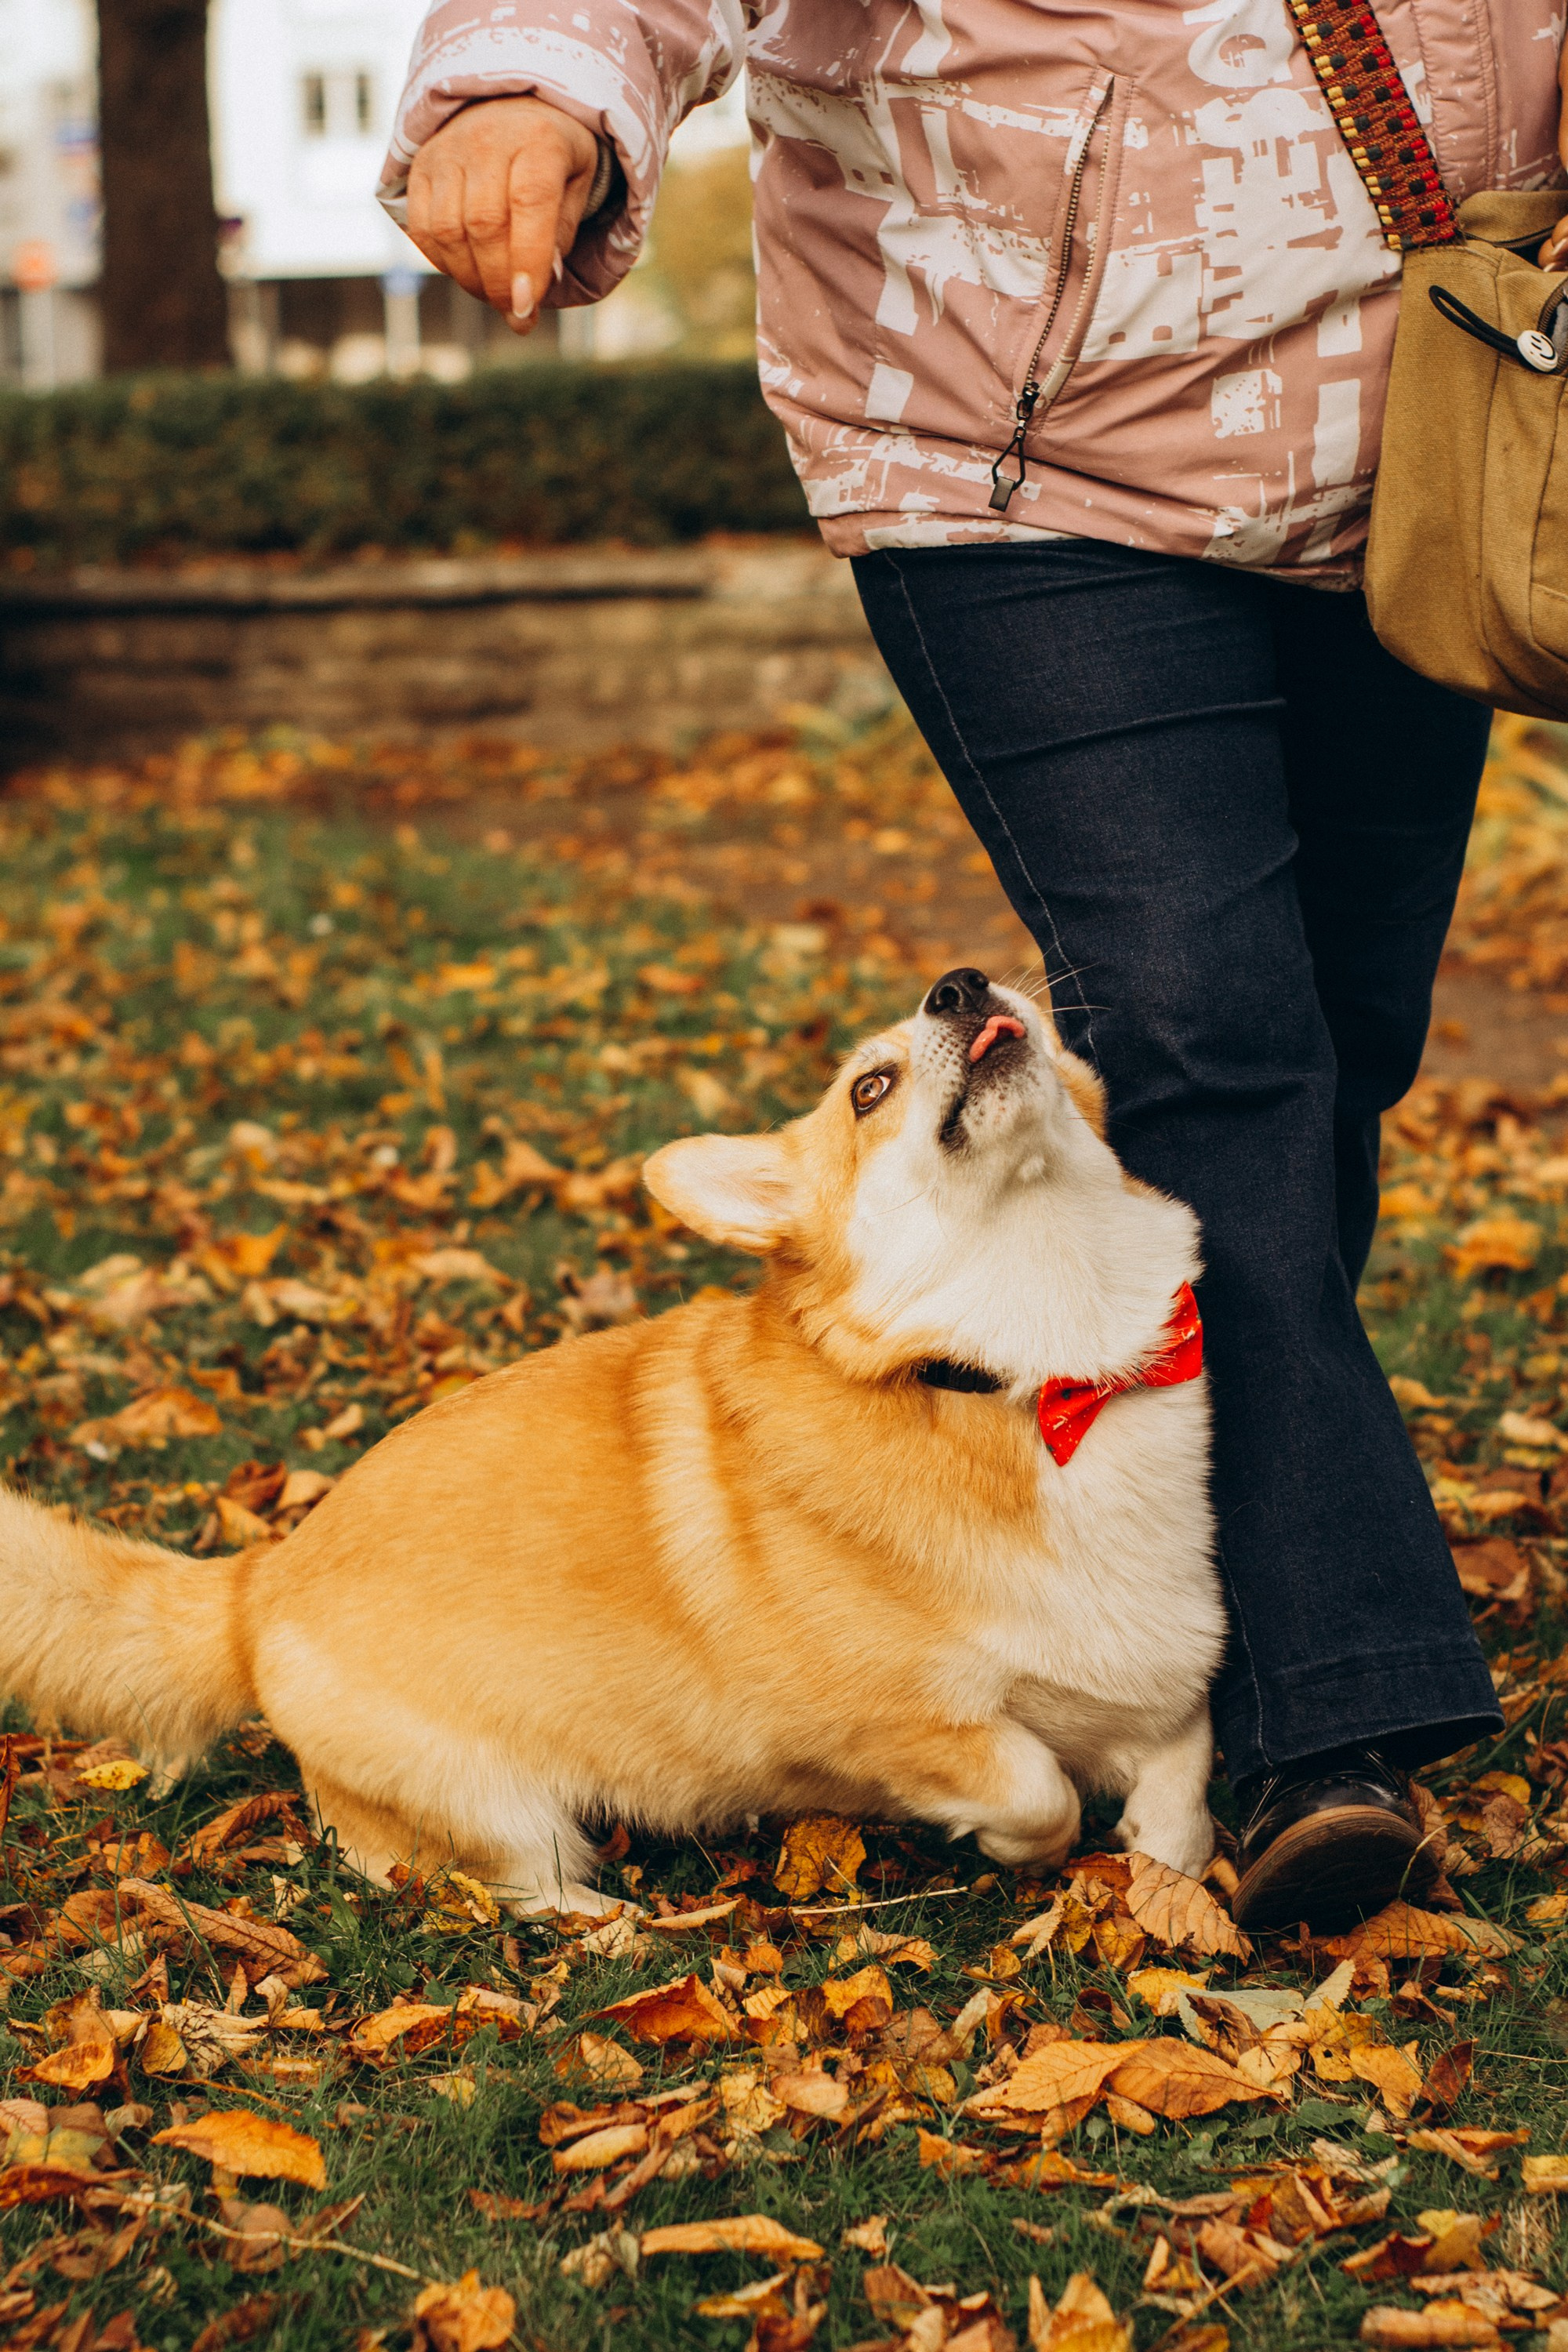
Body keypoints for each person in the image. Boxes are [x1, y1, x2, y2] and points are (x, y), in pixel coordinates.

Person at [380, 0, 1568, 1930]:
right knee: (1204, 1033)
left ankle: (1142, 1540)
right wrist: (536, 83)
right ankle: (1312, 1707)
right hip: (1018, 460)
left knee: (1335, 1045)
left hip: (1416, 420)